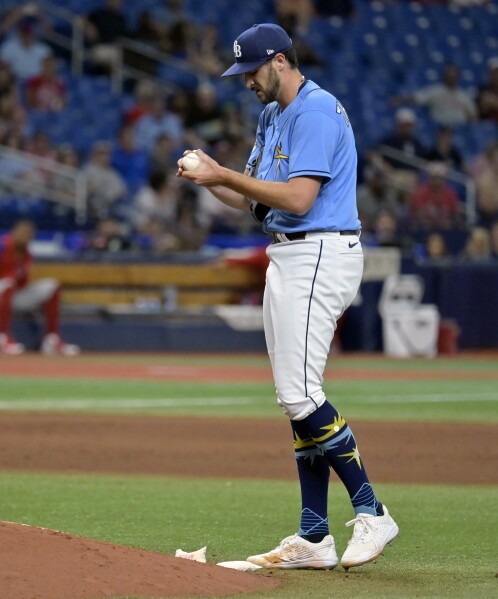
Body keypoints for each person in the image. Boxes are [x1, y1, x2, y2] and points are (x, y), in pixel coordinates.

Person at [176, 23, 398, 571]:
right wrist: (209, 178)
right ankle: (314, 535)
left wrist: (222, 171)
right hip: (292, 254)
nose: (245, 81)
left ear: (279, 61)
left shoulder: (315, 112)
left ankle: (373, 511)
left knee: (300, 394)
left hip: (320, 251)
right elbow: (256, 202)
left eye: (250, 70)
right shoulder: (274, 114)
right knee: (295, 397)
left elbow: (299, 199)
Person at [0, 220, 80, 355]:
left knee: (52, 286)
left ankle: (51, 339)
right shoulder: (3, 245)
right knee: (7, 283)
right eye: (22, 233)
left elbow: (23, 283)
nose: (25, 237)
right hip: (2, 289)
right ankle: (2, 336)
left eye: (29, 235)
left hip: (12, 295)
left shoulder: (26, 254)